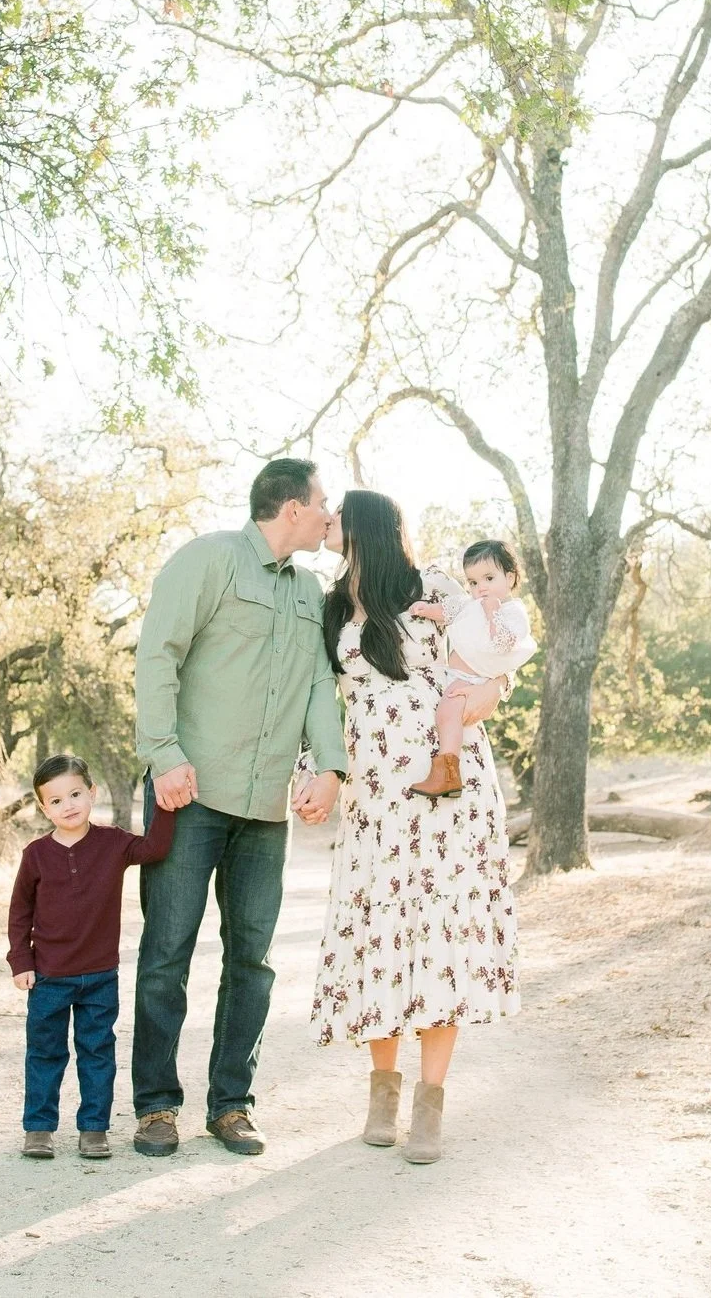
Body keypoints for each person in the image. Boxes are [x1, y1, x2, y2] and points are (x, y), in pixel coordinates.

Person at [131, 458, 349, 1158]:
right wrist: (163, 753)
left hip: (264, 807)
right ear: (291, 507)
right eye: (322, 504)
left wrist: (332, 765)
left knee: (252, 959)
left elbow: (320, 680)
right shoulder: (209, 559)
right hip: (188, 793)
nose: (327, 515)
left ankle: (232, 1104)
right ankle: (157, 1106)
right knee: (167, 951)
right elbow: (158, 652)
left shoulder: (311, 590)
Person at [312, 490, 520, 1164]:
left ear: (362, 524)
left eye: (336, 513)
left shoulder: (433, 586)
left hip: (445, 787)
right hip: (374, 792)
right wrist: (319, 771)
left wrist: (464, 720)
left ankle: (429, 1105)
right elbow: (321, 697)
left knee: (440, 932)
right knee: (381, 931)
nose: (327, 522)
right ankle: (382, 1091)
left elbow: (495, 666)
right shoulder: (334, 604)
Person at [7, 753, 174, 1161]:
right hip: (49, 976)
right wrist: (21, 962)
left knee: (97, 1053)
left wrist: (167, 803)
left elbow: (154, 848)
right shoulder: (36, 855)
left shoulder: (112, 843)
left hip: (100, 976)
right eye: (57, 800)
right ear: (44, 807)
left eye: (76, 794)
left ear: (92, 792)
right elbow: (20, 910)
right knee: (45, 1053)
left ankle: (94, 1129)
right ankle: (39, 1128)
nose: (69, 806)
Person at [408, 538, 537, 800]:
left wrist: (493, 613)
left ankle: (447, 773)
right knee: (446, 713)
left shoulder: (512, 612)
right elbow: (448, 611)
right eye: (474, 582)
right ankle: (447, 771)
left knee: (447, 712)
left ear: (510, 578)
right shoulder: (470, 604)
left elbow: (504, 643)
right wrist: (425, 610)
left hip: (472, 680)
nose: (481, 588)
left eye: (489, 578)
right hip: (455, 675)